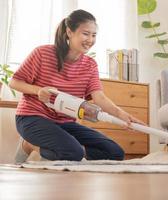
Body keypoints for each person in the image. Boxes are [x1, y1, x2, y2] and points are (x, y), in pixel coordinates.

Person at [9, 9, 144, 163]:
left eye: (94, 35)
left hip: (64, 123)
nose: (90, 40)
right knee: (73, 152)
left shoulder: (90, 65)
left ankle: (71, 152)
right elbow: (14, 82)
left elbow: (99, 97)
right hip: (32, 118)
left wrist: (123, 116)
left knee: (115, 152)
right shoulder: (42, 53)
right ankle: (31, 145)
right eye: (86, 33)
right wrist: (38, 90)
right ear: (69, 32)